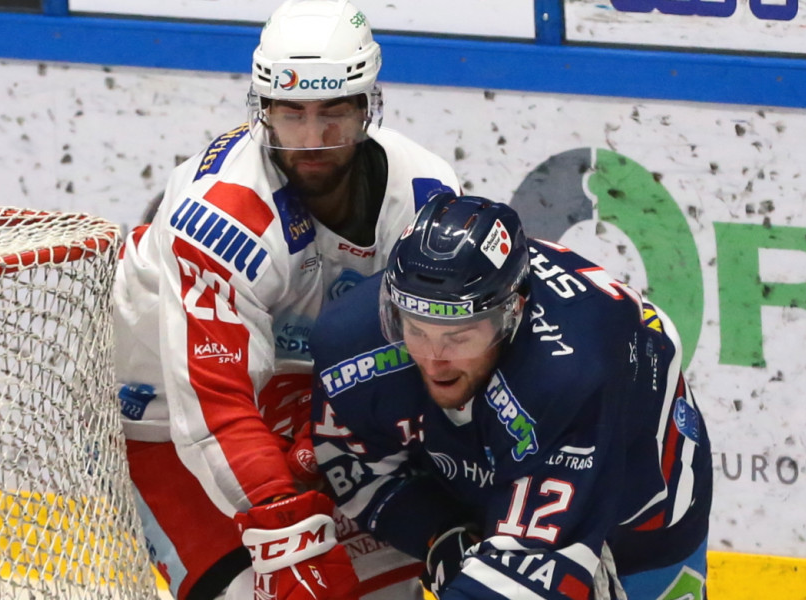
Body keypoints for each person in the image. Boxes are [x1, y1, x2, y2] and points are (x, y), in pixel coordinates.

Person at [112, 0, 460, 597]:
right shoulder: (219, 215)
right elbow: (214, 404)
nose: (312, 139)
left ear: (368, 105)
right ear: (263, 109)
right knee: (255, 591)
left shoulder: (425, 194)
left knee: (388, 589)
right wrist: (284, 525)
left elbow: (428, 352)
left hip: (312, 399)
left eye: (335, 113)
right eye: (291, 113)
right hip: (164, 416)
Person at [309, 194, 712, 598]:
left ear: (512, 312)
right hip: (490, 475)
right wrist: (438, 531)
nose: (434, 360)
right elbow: (356, 466)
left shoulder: (571, 374)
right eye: (417, 330)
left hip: (640, 505)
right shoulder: (351, 343)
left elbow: (523, 580)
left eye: (459, 337)